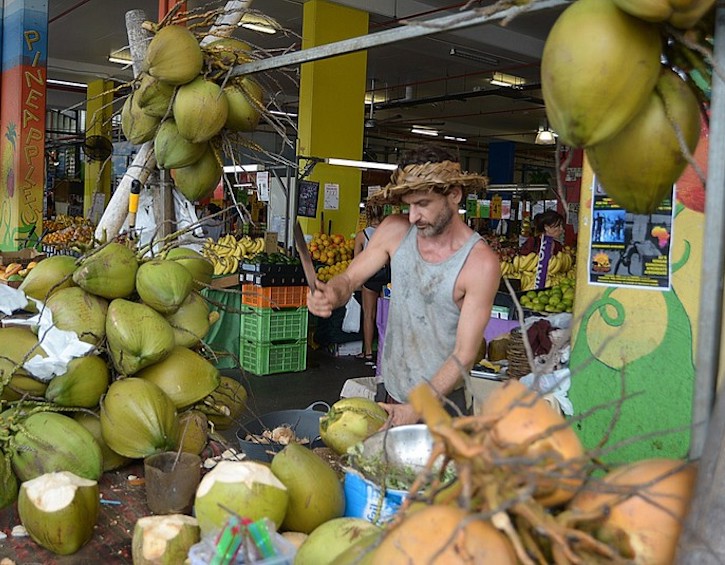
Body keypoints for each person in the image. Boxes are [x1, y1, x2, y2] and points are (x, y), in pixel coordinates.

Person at [307, 145, 501, 427]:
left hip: (444, 408)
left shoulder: (479, 264)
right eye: (409, 205)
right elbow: (349, 279)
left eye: (422, 204)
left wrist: (417, 408)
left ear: (454, 195)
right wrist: (331, 294)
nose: (412, 217)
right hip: (391, 391)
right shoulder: (395, 230)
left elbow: (464, 354)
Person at [353, 203, 389, 364]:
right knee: (385, 314)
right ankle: (385, 351)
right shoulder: (387, 233)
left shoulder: (362, 235)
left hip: (370, 277)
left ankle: (368, 352)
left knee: (369, 314)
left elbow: (357, 260)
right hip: (386, 276)